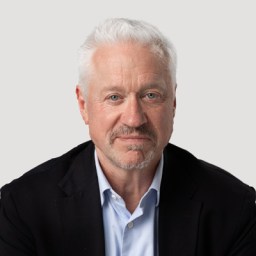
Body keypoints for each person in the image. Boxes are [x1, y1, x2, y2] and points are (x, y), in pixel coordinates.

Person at [0, 18, 255, 256]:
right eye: (114, 97)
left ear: (174, 103)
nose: (134, 119)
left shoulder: (234, 207)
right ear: (83, 105)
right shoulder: (23, 207)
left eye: (151, 95)